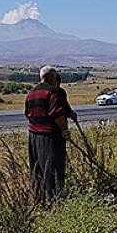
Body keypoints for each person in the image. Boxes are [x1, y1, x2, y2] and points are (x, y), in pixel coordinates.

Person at [25, 66, 73, 205]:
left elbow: (27, 114)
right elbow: (57, 114)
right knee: (53, 168)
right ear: (52, 77)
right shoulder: (53, 92)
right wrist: (64, 130)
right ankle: (54, 201)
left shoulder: (31, 93)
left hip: (33, 136)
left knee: (37, 168)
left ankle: (39, 199)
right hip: (50, 137)